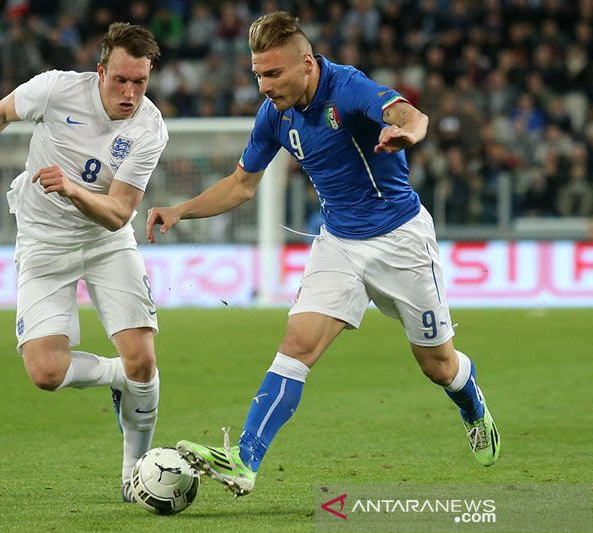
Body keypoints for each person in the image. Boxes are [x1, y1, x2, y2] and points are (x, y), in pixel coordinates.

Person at [147, 11, 499, 497]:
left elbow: (410, 114)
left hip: (401, 241)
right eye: (258, 75)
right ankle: (245, 459)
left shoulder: (348, 88)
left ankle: (472, 403)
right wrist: (180, 210)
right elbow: (242, 185)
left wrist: (407, 132)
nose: (264, 86)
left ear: (307, 64)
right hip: (338, 244)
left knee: (437, 365)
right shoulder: (274, 115)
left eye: (274, 73)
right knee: (297, 344)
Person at [0, 23, 167, 502]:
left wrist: (71, 189)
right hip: (43, 243)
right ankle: (116, 377)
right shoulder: (56, 89)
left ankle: (136, 472)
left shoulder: (149, 129)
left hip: (106, 243)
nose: (130, 94)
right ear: (100, 72)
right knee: (47, 373)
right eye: (120, 80)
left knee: (144, 360)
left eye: (140, 82)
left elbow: (117, 214)